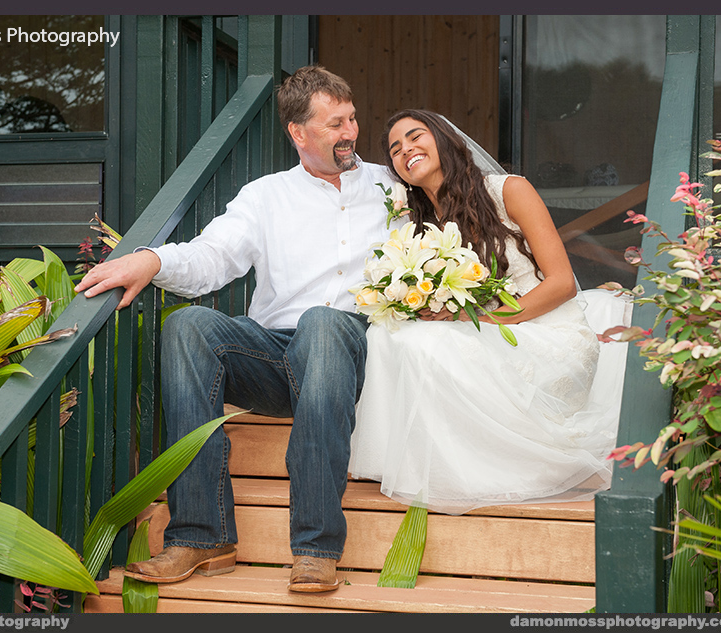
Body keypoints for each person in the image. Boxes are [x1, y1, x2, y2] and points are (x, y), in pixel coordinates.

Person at [74, 66, 395, 592]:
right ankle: (201, 535)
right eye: (335, 123)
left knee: (323, 322)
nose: (351, 132)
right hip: (279, 359)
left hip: (356, 353)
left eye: (352, 119)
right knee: (189, 325)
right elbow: (213, 255)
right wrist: (151, 260)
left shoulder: (390, 186)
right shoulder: (265, 196)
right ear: (298, 132)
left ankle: (315, 547)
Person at [347, 109, 626, 514]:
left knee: (432, 346)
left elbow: (562, 283)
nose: (405, 150)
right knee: (389, 334)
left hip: (547, 330)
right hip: (483, 331)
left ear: (444, 138)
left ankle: (466, 468)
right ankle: (415, 464)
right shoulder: (418, 223)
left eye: (414, 137)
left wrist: (482, 320)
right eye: (395, 149)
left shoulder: (509, 190)